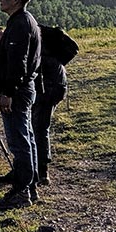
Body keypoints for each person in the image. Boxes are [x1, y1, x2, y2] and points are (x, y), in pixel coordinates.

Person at [0, 0, 41, 207]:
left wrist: (7, 92)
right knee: (26, 139)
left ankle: (21, 192)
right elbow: (12, 58)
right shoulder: (24, 22)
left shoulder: (19, 24)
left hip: (17, 91)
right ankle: (31, 186)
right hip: (25, 89)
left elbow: (18, 64)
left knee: (19, 142)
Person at [32, 48, 68, 187]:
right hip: (56, 86)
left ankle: (41, 172)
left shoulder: (26, 40)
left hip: (48, 88)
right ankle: (38, 169)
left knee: (39, 128)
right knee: (40, 128)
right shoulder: (40, 41)